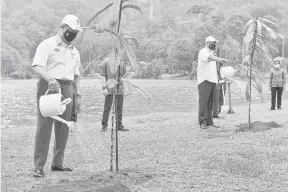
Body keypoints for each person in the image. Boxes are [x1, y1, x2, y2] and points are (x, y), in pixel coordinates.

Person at [31, 15, 104, 178]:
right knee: (44, 127)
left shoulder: (74, 52)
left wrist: (78, 95)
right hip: (49, 86)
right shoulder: (47, 45)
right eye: (70, 31)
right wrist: (49, 78)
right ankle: (38, 166)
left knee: (64, 127)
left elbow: (76, 76)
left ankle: (57, 163)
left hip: (68, 87)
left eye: (75, 32)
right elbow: (36, 66)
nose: (73, 35)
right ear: (62, 27)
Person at [197, 36, 227, 129]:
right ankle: (202, 121)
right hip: (204, 80)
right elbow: (210, 58)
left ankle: (209, 121)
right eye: (212, 44)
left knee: (211, 102)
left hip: (213, 80)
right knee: (203, 102)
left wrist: (220, 63)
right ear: (207, 43)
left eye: (215, 44)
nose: (214, 45)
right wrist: (220, 59)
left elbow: (214, 65)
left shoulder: (212, 53)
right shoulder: (203, 52)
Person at [100, 59, 129, 132]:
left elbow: (124, 78)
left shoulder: (122, 64)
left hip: (119, 89)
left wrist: (126, 89)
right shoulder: (106, 63)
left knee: (119, 107)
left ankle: (119, 125)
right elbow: (103, 76)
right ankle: (104, 125)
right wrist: (104, 88)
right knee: (107, 107)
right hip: (109, 88)